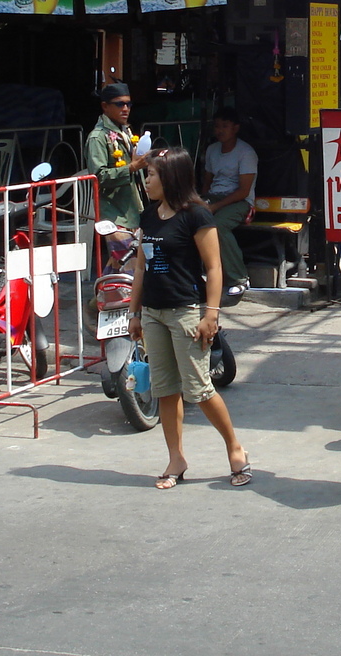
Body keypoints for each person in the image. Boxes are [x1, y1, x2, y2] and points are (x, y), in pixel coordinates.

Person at [126, 147, 252, 490]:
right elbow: (141, 265)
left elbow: (214, 268)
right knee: (165, 390)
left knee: (199, 389)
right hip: (153, 313)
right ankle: (176, 458)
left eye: (151, 174)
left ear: (169, 177)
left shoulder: (197, 215)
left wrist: (211, 314)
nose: (147, 180)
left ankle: (234, 448)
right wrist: (134, 312)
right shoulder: (149, 216)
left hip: (186, 312)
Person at [199, 107, 255, 287]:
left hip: (239, 201)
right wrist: (202, 201)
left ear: (235, 128)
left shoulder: (246, 152)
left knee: (218, 226)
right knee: (188, 219)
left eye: (225, 126)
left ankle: (239, 277)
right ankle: (197, 274)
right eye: (216, 126)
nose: (220, 131)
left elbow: (244, 191)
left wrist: (215, 207)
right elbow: (207, 181)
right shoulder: (212, 150)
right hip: (214, 196)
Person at [86, 82, 146, 231]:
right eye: (119, 104)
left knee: (131, 254)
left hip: (132, 209)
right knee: (122, 254)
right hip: (113, 213)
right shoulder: (98, 137)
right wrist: (131, 167)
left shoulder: (126, 131)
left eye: (128, 104)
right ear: (105, 106)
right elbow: (98, 177)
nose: (125, 109)